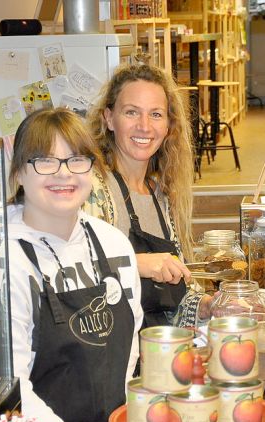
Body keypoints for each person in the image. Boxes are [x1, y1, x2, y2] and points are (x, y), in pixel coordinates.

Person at [6, 108, 143, 422]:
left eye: (76, 159)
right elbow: (11, 385)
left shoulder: (113, 244)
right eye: (45, 160)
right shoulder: (5, 257)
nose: (64, 173)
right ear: (18, 172)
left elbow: (128, 350)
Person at [86, 63, 207, 329]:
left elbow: (174, 299)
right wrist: (136, 264)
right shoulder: (89, 188)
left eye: (155, 114)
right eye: (131, 112)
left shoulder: (161, 195)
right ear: (108, 118)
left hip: (156, 352)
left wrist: (208, 306)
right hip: (110, 355)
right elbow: (70, 274)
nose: (144, 126)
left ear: (168, 126)